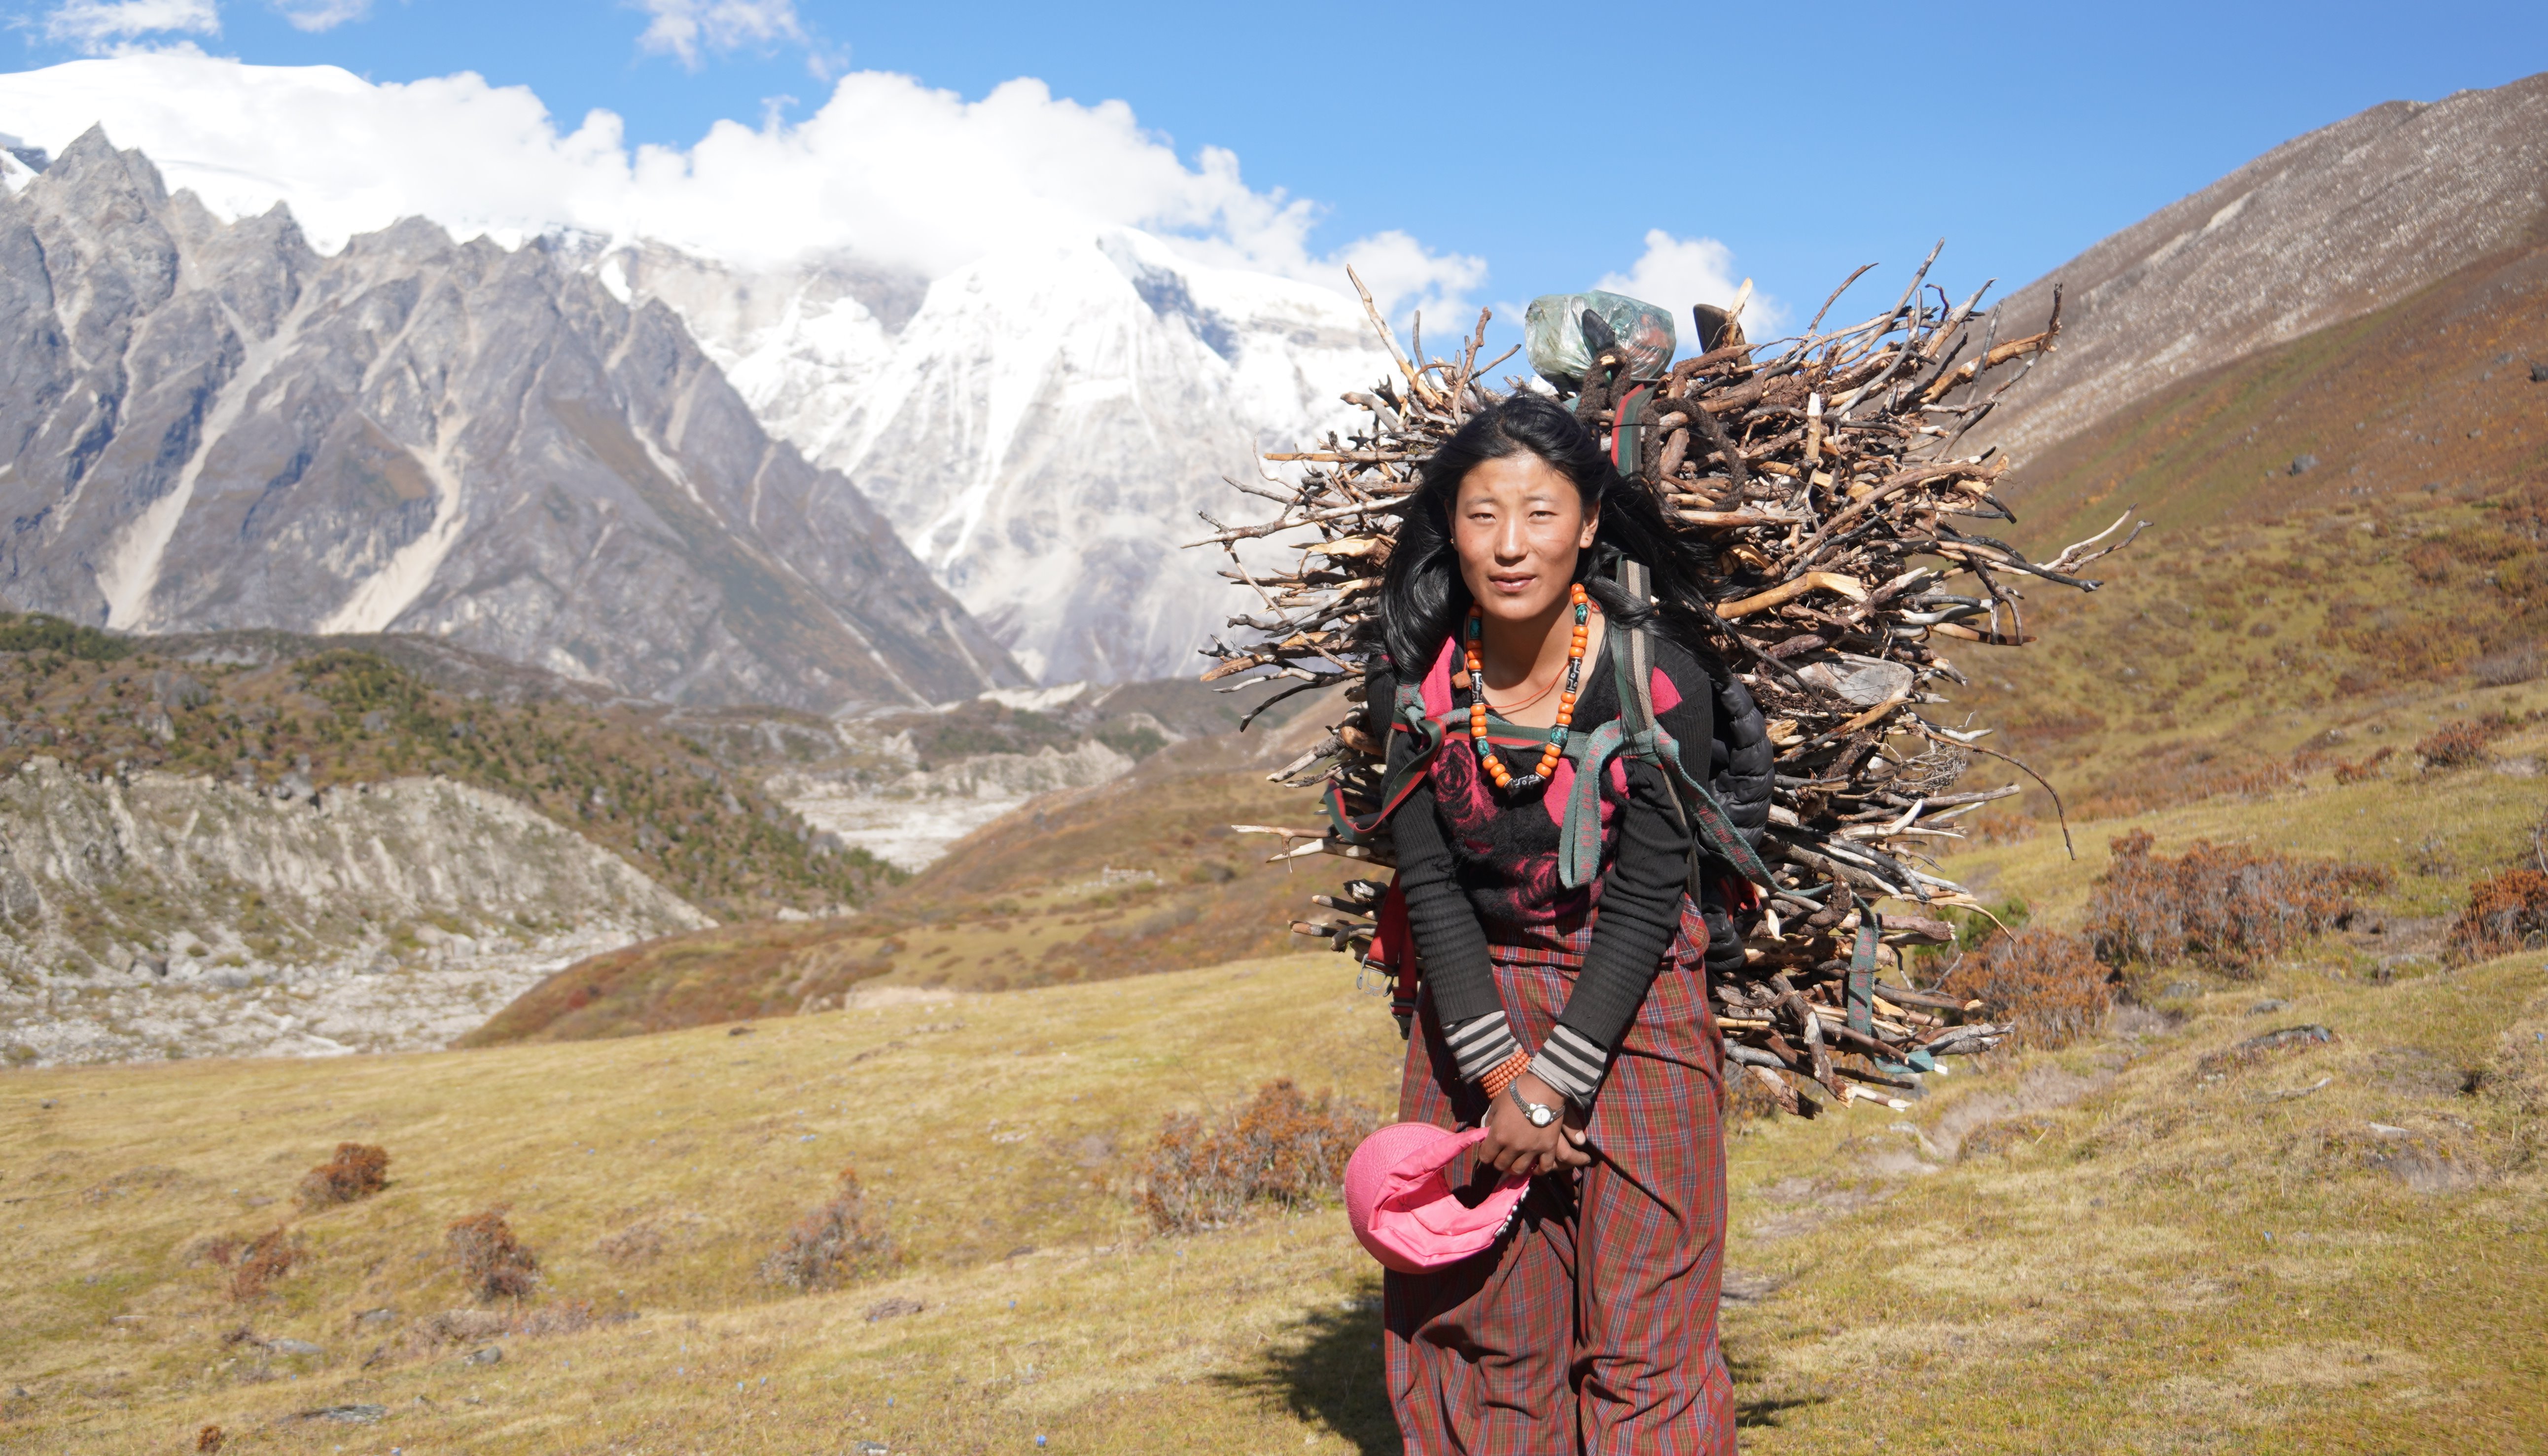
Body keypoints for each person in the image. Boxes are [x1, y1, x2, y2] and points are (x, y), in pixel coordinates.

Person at [1364, 390, 1768, 1454]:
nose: (1510, 546)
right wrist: (1504, 1083)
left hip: (1634, 1013)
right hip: (1470, 1014)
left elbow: (1647, 897)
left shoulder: (1652, 678)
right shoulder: (1415, 691)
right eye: (1483, 513)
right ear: (1449, 525)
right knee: (1481, 1328)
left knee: (1647, 1334)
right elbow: (1432, 890)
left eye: (1540, 514)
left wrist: (1552, 1089)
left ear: (1588, 522)